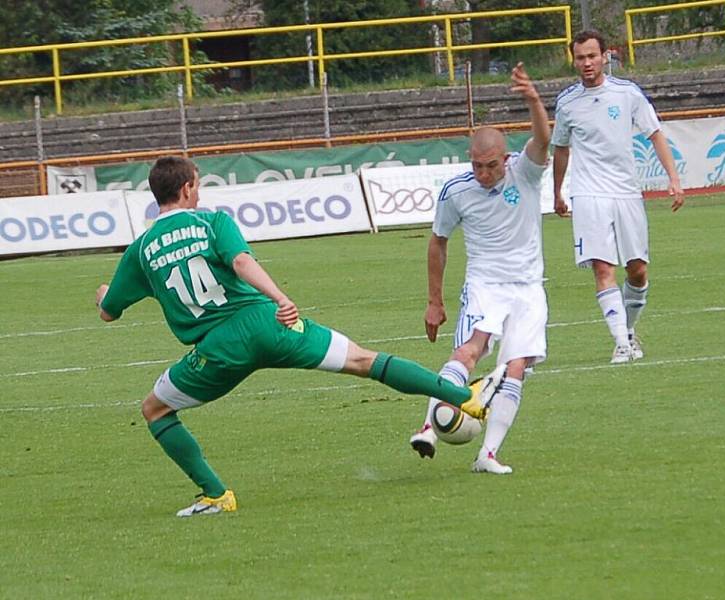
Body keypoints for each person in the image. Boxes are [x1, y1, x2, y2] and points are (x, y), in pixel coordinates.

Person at [95, 156, 499, 517]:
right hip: (271, 321)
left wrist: (104, 295)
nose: (199, 194)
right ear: (186, 189)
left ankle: (216, 495)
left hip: (218, 349)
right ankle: (468, 399)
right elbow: (239, 261)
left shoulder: (141, 250)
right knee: (364, 360)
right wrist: (280, 298)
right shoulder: (211, 222)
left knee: (156, 409)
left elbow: (109, 311)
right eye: (197, 186)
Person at [409, 62, 551, 475]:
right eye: (477, 166)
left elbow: (544, 138)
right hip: (484, 283)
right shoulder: (455, 192)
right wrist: (434, 301)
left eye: (491, 165)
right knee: (469, 351)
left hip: (528, 286)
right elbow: (438, 242)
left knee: (517, 366)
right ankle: (428, 427)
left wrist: (533, 100)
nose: (484, 173)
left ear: (506, 159)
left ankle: (487, 455)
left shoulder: (525, 175)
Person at [552, 30, 685, 364]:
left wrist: (673, 178)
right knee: (602, 267)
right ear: (574, 60)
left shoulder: (627, 94)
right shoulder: (567, 103)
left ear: (604, 57)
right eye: (580, 57)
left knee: (637, 270)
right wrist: (557, 191)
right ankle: (621, 343)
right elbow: (561, 149)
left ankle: (628, 331)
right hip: (588, 193)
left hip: (626, 192)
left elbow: (655, 134)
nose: (586, 63)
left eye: (592, 56)